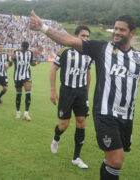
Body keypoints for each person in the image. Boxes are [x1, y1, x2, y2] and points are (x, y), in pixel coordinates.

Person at [30, 12, 140, 179]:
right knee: (116, 160)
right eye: (116, 28)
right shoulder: (102, 48)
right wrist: (43, 28)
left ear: (132, 32)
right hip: (105, 114)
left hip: (127, 116)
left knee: (113, 161)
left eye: (122, 30)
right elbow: (69, 40)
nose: (117, 32)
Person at [50, 26, 92, 169]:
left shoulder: (89, 54)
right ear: (75, 36)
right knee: (64, 125)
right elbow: (54, 69)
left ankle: (76, 158)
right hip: (67, 91)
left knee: (81, 122)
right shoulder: (65, 51)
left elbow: (88, 73)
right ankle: (56, 137)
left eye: (87, 36)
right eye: (83, 35)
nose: (86, 38)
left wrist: (86, 92)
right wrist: (53, 91)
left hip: (81, 93)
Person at [10, 41, 40, 121]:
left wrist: (36, 62)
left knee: (28, 92)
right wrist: (11, 59)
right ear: (21, 47)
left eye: (26, 49)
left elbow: (31, 63)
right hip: (17, 76)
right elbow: (10, 62)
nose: (25, 50)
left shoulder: (30, 52)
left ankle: (26, 113)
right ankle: (18, 111)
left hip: (27, 75)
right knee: (19, 94)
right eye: (24, 49)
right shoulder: (16, 51)